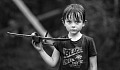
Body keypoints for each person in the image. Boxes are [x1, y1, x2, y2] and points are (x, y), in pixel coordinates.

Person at [31, 4, 97, 70]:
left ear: (83, 23)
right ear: (64, 22)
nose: (73, 25)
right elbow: (53, 63)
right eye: (69, 22)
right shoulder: (60, 41)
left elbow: (93, 66)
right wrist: (41, 50)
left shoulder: (88, 41)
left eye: (77, 22)